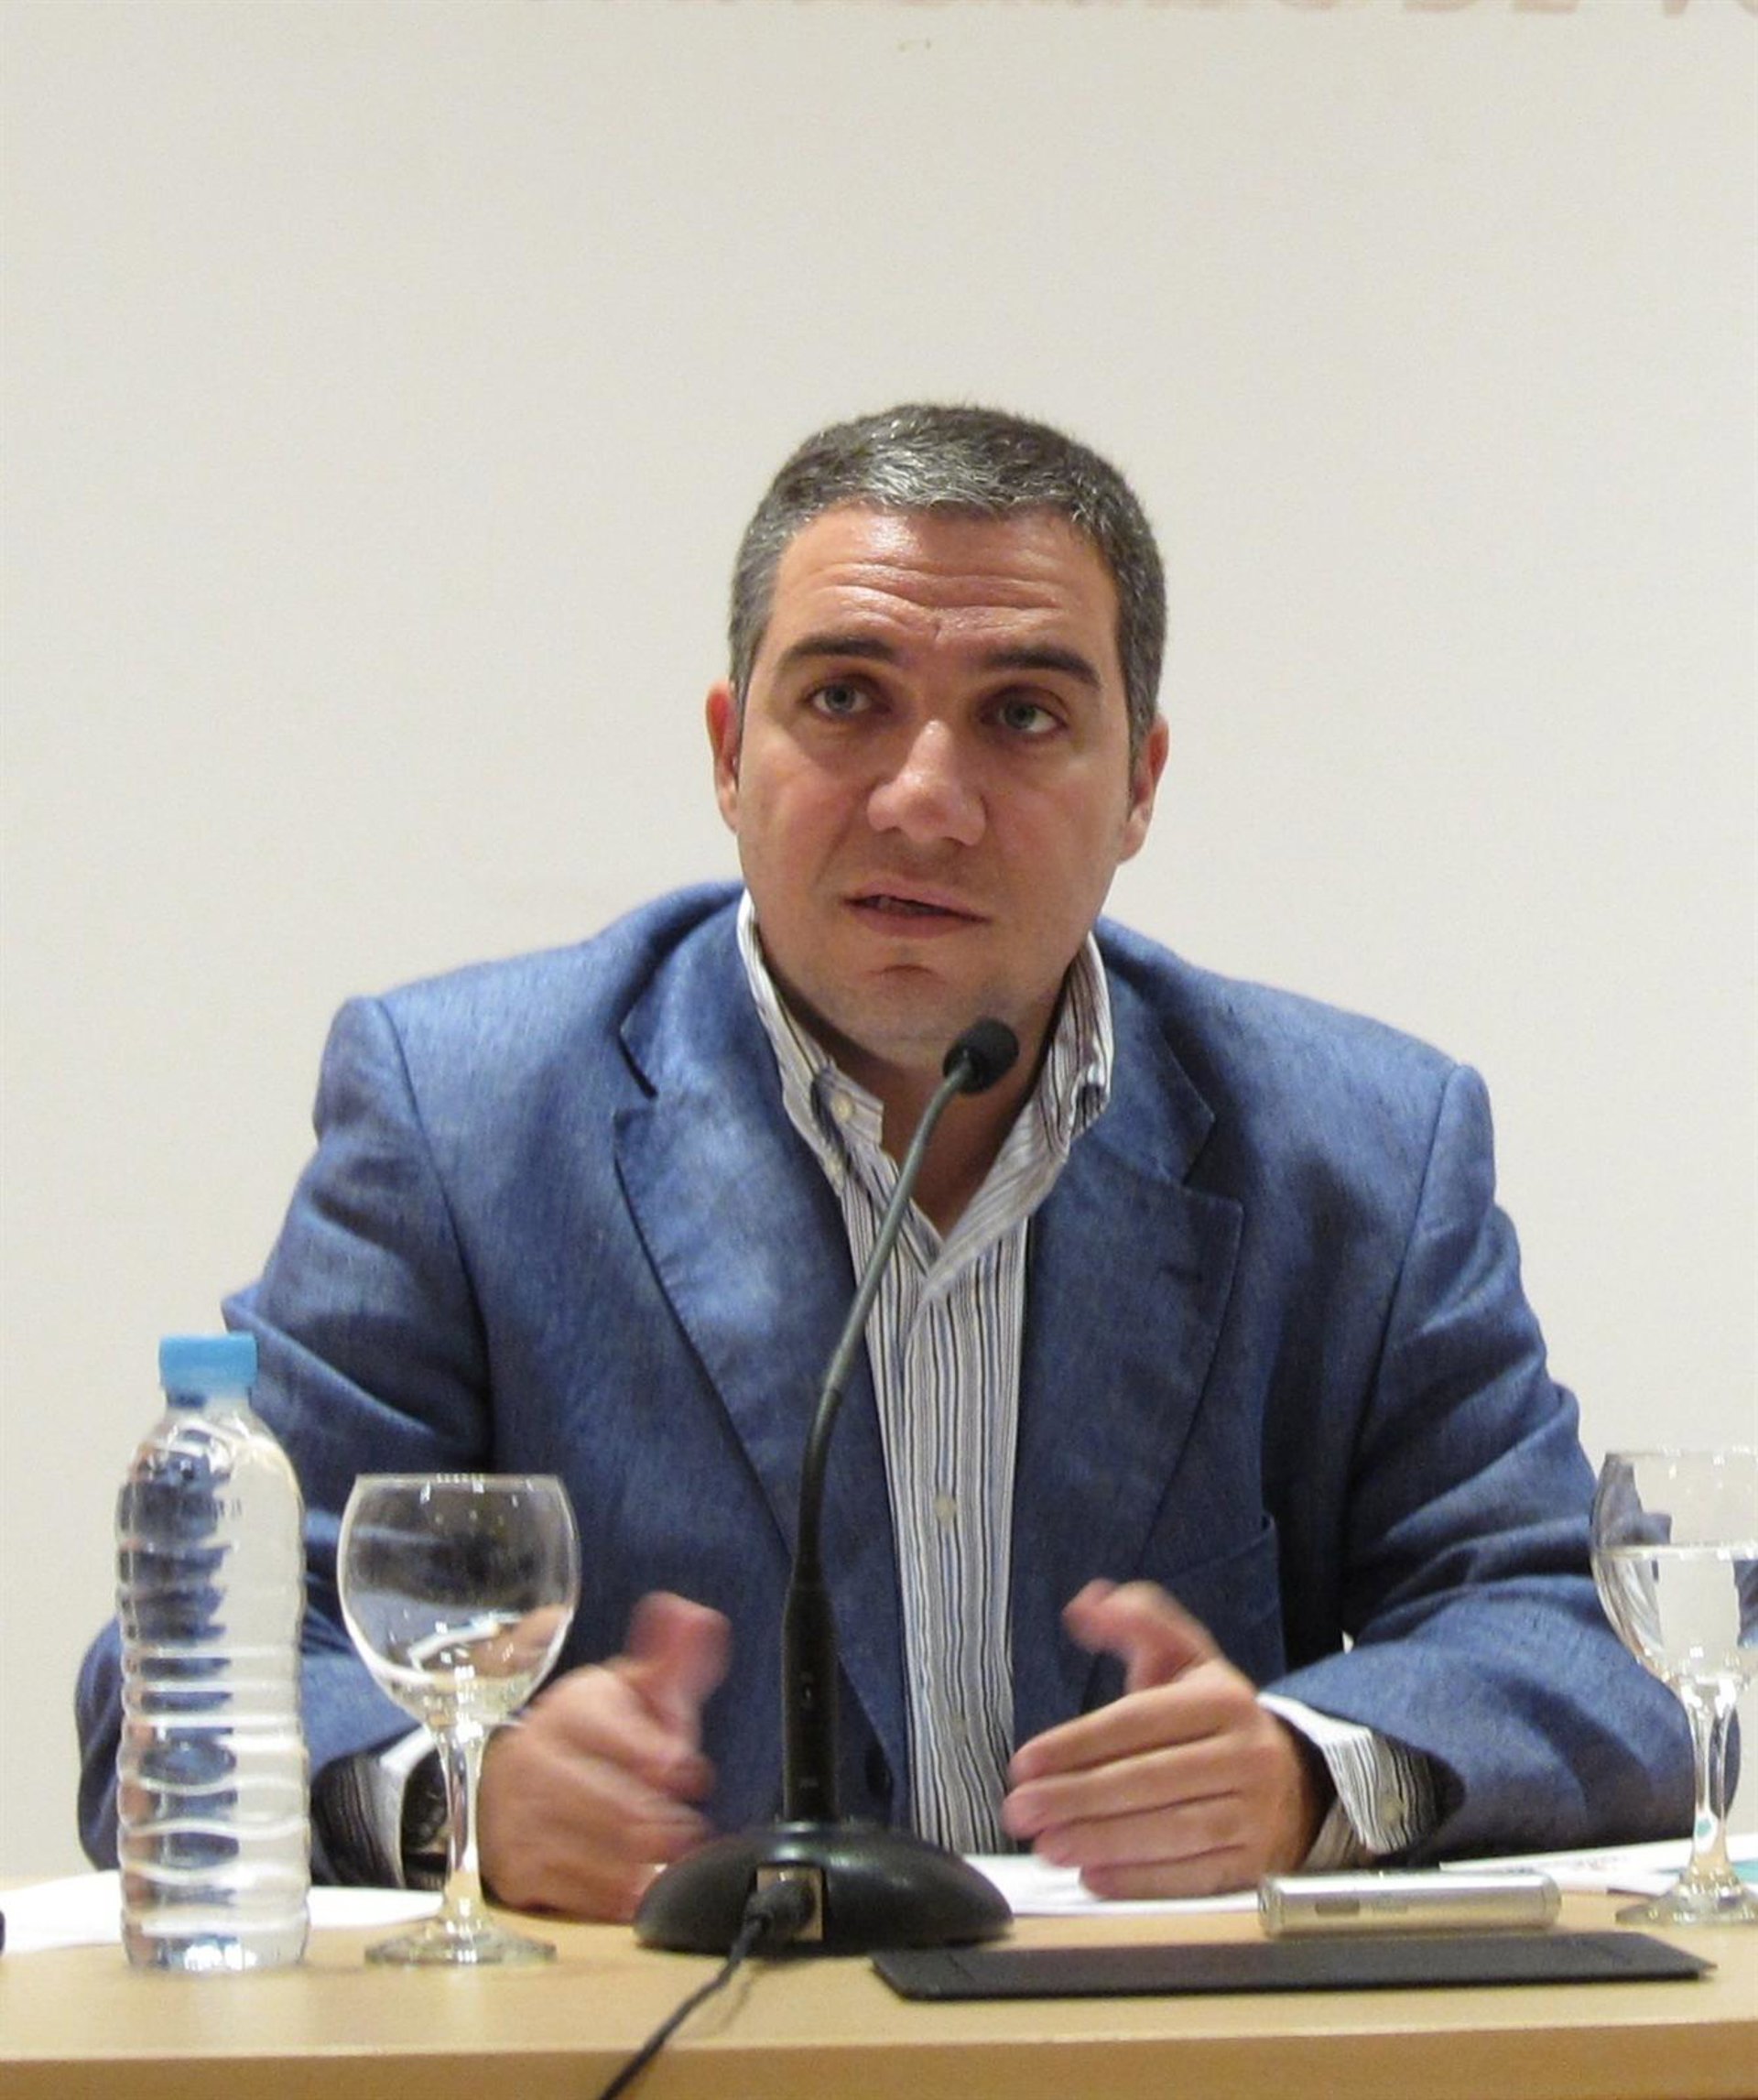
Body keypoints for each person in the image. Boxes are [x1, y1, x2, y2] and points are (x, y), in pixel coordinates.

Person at [77, 404, 1689, 1920]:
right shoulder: (465, 1119)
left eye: (1023, 716)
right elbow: (175, 1678)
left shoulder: (1360, 1151)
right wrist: (462, 1796)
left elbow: (1587, 1639)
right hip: (665, 2058)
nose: (924, 801)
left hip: (1156, 2055)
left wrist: (1305, 1772)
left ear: (1140, 784)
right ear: (730, 753)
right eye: (845, 699)